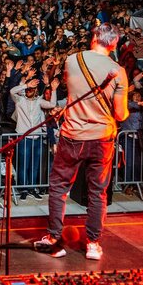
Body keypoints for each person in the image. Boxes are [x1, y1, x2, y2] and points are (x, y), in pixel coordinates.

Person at [35, 23, 128, 261]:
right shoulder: (118, 71)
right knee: (97, 192)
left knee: (59, 187)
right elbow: (120, 114)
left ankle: (54, 239)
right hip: (102, 138)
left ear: (94, 37)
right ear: (114, 43)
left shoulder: (73, 60)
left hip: (73, 135)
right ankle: (93, 244)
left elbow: (73, 90)